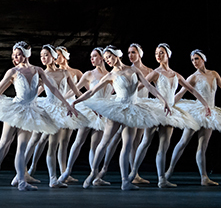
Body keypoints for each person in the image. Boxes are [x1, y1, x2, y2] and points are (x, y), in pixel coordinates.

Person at [0, 41, 78, 191]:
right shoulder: (13, 71)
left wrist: (67, 104)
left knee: (21, 147)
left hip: (31, 111)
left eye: (18, 54)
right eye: (14, 55)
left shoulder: (38, 70)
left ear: (26, 54)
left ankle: (21, 181)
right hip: (15, 108)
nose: (15, 57)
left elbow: (52, 88)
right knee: (5, 142)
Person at [71, 46, 173, 190]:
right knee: (104, 142)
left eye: (109, 57)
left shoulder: (133, 70)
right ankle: (93, 173)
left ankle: (125, 181)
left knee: (127, 145)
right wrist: (76, 101)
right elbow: (92, 91)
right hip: (117, 108)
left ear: (116, 55)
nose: (107, 61)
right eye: (105, 59)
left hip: (133, 109)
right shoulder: (110, 75)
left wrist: (164, 101)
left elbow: (149, 87)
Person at [129, 43, 211, 188]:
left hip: (170, 112)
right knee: (146, 141)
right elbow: (141, 86)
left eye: (161, 52)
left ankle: (161, 179)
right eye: (156, 53)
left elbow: (191, 89)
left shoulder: (176, 75)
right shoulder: (155, 72)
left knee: (163, 146)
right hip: (157, 109)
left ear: (168, 54)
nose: (158, 55)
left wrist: (205, 104)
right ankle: (133, 173)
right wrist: (127, 97)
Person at [165, 49, 221, 186]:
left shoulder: (214, 74)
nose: (194, 62)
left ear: (203, 59)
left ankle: (204, 177)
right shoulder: (193, 77)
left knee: (203, 146)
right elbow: (180, 93)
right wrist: (168, 105)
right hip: (197, 111)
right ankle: (169, 171)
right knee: (184, 141)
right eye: (192, 60)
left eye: (196, 59)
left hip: (210, 112)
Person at [22, 45, 87, 187]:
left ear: (53, 56)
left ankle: (53, 179)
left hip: (61, 110)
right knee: (35, 140)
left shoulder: (65, 73)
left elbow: (77, 92)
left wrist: (92, 105)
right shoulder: (42, 74)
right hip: (47, 108)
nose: (43, 58)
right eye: (41, 56)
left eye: (46, 55)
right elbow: (34, 91)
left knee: (53, 144)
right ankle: (22, 173)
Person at [96, 43, 153, 184]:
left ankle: (134, 173)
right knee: (115, 139)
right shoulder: (125, 71)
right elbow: (117, 89)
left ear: (140, 53)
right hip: (123, 106)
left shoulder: (148, 71)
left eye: (133, 52)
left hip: (139, 107)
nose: (130, 55)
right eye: (128, 53)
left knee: (135, 141)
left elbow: (151, 88)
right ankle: (104, 168)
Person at [57, 47, 110, 185]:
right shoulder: (88, 74)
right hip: (89, 109)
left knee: (96, 145)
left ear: (102, 57)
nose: (92, 59)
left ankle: (95, 175)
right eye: (91, 56)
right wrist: (63, 100)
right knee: (79, 140)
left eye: (95, 56)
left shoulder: (110, 75)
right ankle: (67, 171)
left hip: (102, 112)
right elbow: (75, 90)